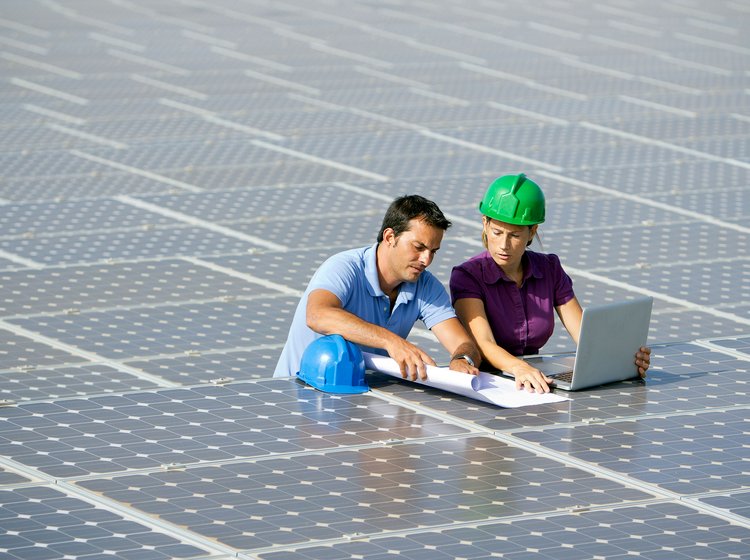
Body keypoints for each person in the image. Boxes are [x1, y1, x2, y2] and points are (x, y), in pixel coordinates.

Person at [450, 173, 651, 393]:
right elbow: (484, 343)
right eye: (497, 232)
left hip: (533, 381)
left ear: (532, 231)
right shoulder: (467, 276)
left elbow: (584, 335)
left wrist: (620, 360)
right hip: (486, 384)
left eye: (515, 235)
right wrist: (519, 367)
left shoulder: (549, 268)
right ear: (485, 223)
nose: (503, 245)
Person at [274, 194, 481, 381]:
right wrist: (391, 341)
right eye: (418, 247)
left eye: (433, 251)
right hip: (298, 391)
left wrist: (462, 360)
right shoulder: (343, 267)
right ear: (390, 237)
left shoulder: (426, 285)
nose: (426, 260)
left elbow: (463, 344)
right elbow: (317, 315)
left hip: (355, 393)